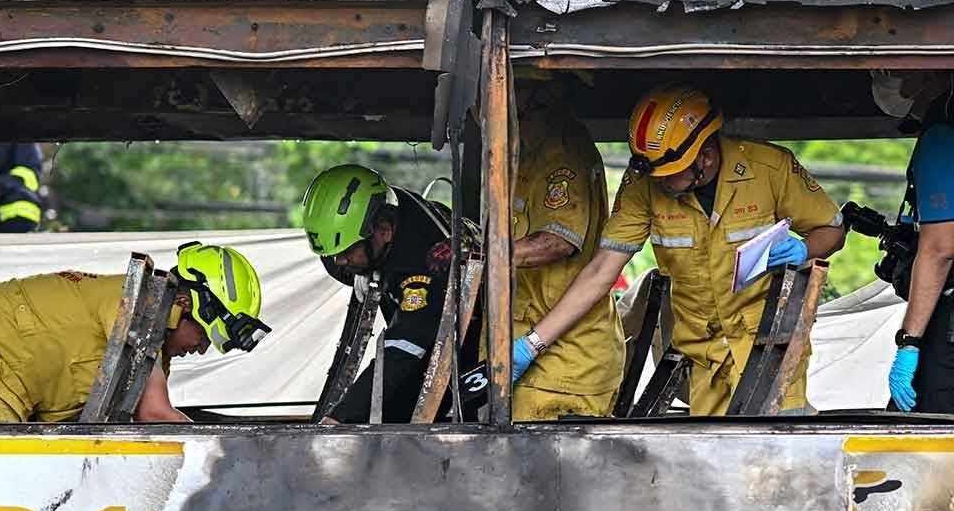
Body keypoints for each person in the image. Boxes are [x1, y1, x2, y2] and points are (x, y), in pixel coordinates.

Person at [513, 84, 846, 416]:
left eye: (668, 174)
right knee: (711, 461)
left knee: (778, 457)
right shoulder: (642, 186)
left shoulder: (770, 169)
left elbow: (833, 229)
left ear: (705, 155)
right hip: (703, 353)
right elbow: (601, 271)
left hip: (770, 348)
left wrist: (804, 249)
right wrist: (532, 344)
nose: (659, 183)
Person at [0, 242, 268, 423]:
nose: (201, 349)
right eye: (203, 335)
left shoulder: (150, 348)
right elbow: (154, 413)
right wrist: (221, 453)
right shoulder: (141, 305)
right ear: (185, 303)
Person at [302, 164, 481, 423]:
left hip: (471, 341)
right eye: (333, 254)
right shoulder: (371, 213)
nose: (338, 261)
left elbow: (401, 353)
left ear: (384, 230)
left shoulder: (424, 263)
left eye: (347, 253)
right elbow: (334, 258)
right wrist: (358, 272)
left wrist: (338, 420)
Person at [509, 74, 625, 421]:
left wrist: (485, 258)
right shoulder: (528, 152)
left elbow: (558, 241)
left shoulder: (562, 152)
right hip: (534, 351)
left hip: (564, 366)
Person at [871, 71, 954, 412]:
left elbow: (940, 249)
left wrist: (909, 343)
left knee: (927, 434)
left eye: (894, 70)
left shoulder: (942, 135)